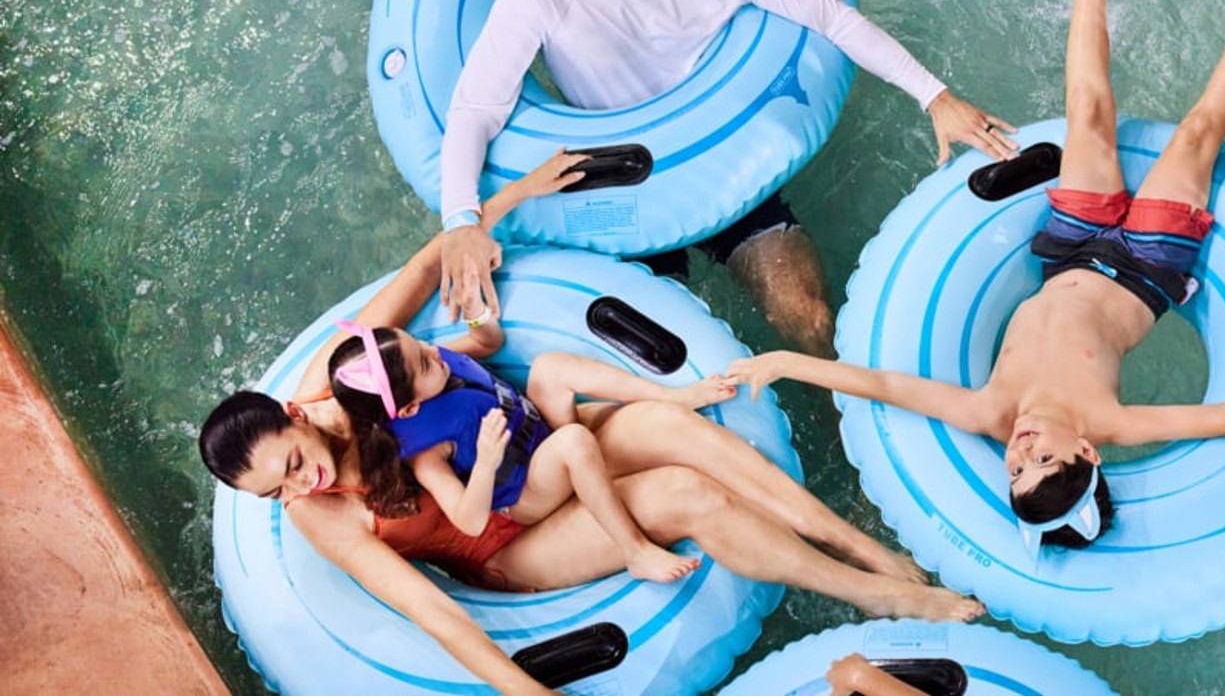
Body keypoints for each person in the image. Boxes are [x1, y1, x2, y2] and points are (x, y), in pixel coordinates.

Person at [726, 0, 1225, 554]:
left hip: (1067, 254)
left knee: (1086, 113)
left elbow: (889, 386)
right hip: (1148, 266)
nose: (1022, 451)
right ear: (1086, 450)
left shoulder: (992, 410)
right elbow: (1221, 418)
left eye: (1013, 469)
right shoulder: (1107, 420)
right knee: (1197, 134)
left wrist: (787, 362)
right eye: (1043, 461)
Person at [199, 160, 982, 696]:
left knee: (675, 433)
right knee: (680, 492)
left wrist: (488, 212)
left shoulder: (347, 380)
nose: (303, 486)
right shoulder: (323, 515)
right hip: (505, 545)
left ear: (297, 416)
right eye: (278, 491)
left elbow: (421, 276)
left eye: (294, 462)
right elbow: (432, 611)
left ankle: (860, 543)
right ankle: (872, 594)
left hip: (528, 460)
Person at [438, 0, 1020, 358]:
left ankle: (843, 417)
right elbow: (475, 109)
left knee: (807, 317)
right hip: (623, 193)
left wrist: (936, 96)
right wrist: (462, 219)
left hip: (721, 165)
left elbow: (831, 16)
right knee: (654, 357)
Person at [326, 311, 735, 583]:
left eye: (420, 344)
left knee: (550, 367)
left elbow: (488, 340)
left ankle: (673, 395)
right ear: (411, 405)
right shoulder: (426, 454)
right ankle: (635, 551)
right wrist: (485, 464)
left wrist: (476, 313)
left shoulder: (437, 363)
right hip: (526, 493)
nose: (434, 351)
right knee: (573, 442)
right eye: (424, 363)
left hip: (535, 436)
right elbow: (469, 521)